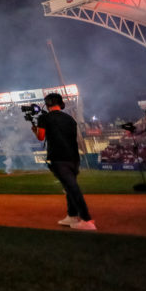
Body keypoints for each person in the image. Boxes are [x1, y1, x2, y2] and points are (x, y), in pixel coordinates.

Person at [34, 92, 95, 230]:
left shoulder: (45, 118)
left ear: (47, 104)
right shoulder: (70, 119)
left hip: (58, 157)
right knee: (69, 187)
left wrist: (35, 130)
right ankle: (72, 216)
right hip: (73, 158)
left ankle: (87, 219)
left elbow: (40, 136)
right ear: (60, 104)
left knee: (72, 188)